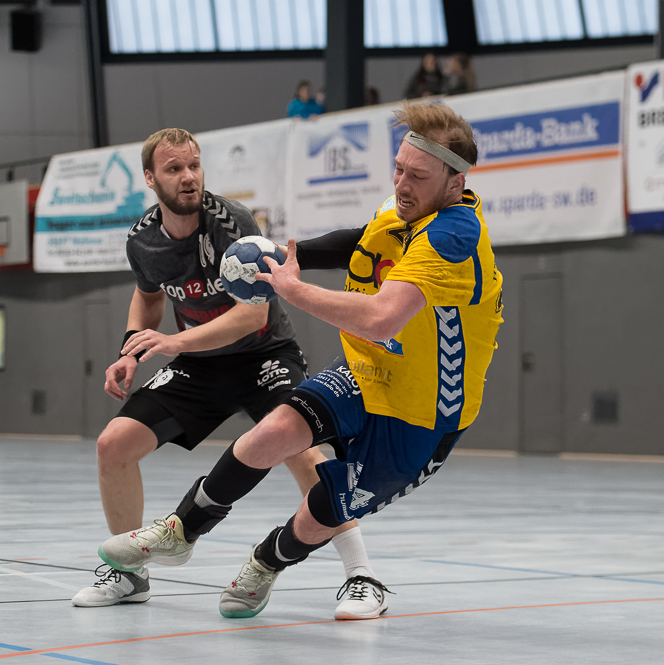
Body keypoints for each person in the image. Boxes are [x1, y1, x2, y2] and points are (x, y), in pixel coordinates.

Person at [92, 103, 504, 619]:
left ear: (455, 181)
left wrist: (291, 287)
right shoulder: (404, 209)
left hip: (421, 411)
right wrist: (290, 256)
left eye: (416, 176)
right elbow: (363, 241)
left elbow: (380, 319)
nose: (401, 184)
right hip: (364, 372)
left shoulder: (452, 238)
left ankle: (269, 562)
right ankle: (181, 530)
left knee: (323, 506)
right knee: (272, 432)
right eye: (398, 168)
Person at [71, 129, 379, 619]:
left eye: (194, 165)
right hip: (200, 364)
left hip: (264, 355)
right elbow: (148, 296)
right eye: (174, 169)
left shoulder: (231, 222)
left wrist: (173, 342)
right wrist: (131, 347)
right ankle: (130, 576)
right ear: (150, 178)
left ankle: (361, 575)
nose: (188, 177)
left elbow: (251, 316)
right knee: (113, 445)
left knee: (302, 451)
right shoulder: (143, 240)